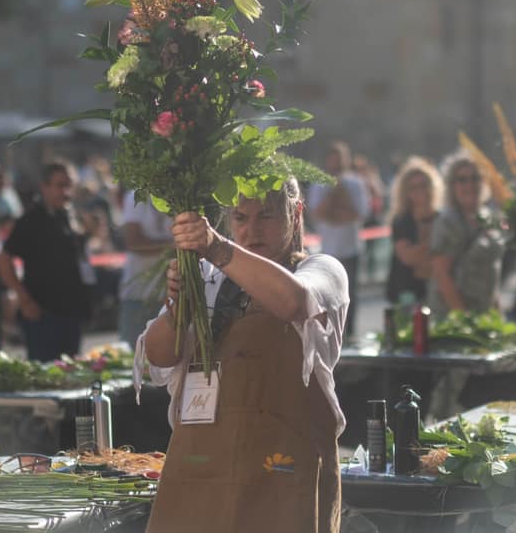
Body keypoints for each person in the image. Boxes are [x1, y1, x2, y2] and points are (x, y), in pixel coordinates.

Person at [135, 177, 347, 532]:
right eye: (240, 218)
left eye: (266, 216)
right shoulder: (206, 276)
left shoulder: (322, 270)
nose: (252, 230)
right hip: (202, 466)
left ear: (295, 214)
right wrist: (177, 308)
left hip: (282, 470)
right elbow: (157, 357)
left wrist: (218, 249)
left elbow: (293, 302)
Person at [0, 162, 92, 361]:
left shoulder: (68, 215)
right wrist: (24, 299)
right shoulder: (31, 220)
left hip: (71, 312)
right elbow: (4, 260)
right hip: (43, 314)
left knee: (72, 376)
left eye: (69, 185)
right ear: (45, 187)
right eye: (59, 185)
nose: (65, 191)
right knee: (46, 378)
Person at [428, 151, 505, 319]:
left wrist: (497, 314)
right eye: (462, 180)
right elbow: (442, 274)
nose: (469, 184)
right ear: (452, 186)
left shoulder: (489, 218)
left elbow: (492, 272)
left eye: (475, 178)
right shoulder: (447, 221)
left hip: (485, 313)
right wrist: (464, 318)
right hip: (454, 318)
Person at [307, 141, 370, 341]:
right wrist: (333, 195)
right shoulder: (319, 184)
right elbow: (317, 214)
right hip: (328, 251)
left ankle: (349, 333)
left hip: (351, 249)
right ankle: (329, 334)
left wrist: (340, 196)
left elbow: (358, 213)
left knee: (351, 295)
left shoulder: (356, 183)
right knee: (327, 297)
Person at [385, 156, 443, 305]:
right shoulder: (402, 221)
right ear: (406, 192)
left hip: (437, 291)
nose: (420, 191)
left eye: (423, 185)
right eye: (414, 187)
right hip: (406, 291)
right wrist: (432, 248)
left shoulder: (441, 218)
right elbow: (408, 257)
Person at [118, 189, 173, 346]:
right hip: (139, 293)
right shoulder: (136, 195)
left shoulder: (181, 194)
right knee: (133, 351)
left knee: (169, 357)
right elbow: (133, 241)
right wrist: (171, 246)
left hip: (172, 295)